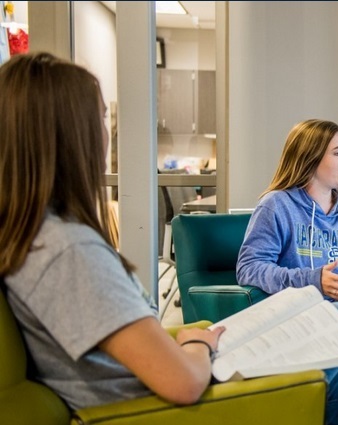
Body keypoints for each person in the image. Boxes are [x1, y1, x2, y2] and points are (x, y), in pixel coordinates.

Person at [0, 53, 224, 409]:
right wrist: (198, 345)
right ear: (74, 132)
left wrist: (188, 341)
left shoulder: (37, 237)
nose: (108, 132)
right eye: (102, 117)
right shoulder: (67, 252)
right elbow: (183, 383)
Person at [236, 118, 338, 425]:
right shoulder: (276, 206)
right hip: (293, 329)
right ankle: (277, 407)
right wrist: (313, 282)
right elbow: (248, 269)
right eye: (337, 152)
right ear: (310, 159)